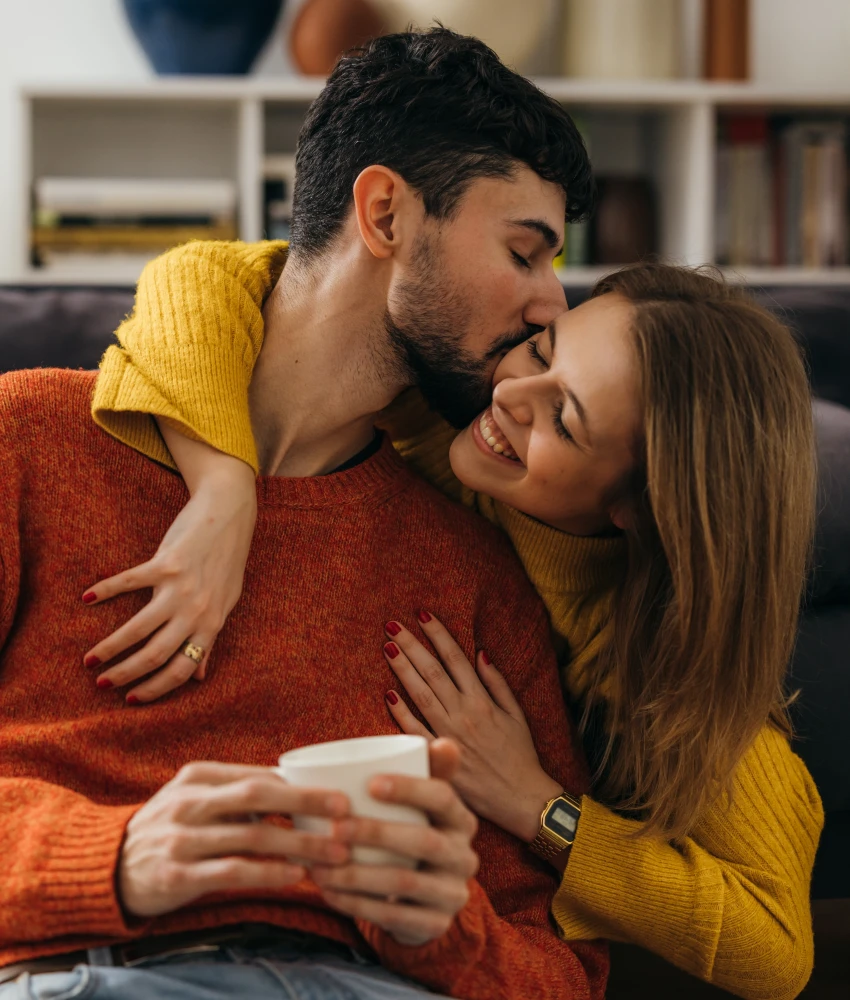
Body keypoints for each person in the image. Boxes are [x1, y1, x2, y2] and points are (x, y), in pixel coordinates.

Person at [0, 28, 609, 1000]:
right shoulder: (27, 441)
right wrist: (111, 857)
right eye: (524, 251)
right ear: (384, 214)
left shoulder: (469, 563)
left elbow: (565, 974)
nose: (550, 305)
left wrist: (443, 931)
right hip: (95, 974)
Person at [88, 247, 823, 1000]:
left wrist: (537, 805)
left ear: (639, 507)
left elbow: (777, 952)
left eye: (562, 419)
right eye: (540, 351)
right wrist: (223, 492)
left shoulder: (673, 673)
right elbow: (211, 273)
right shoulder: (447, 429)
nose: (511, 396)